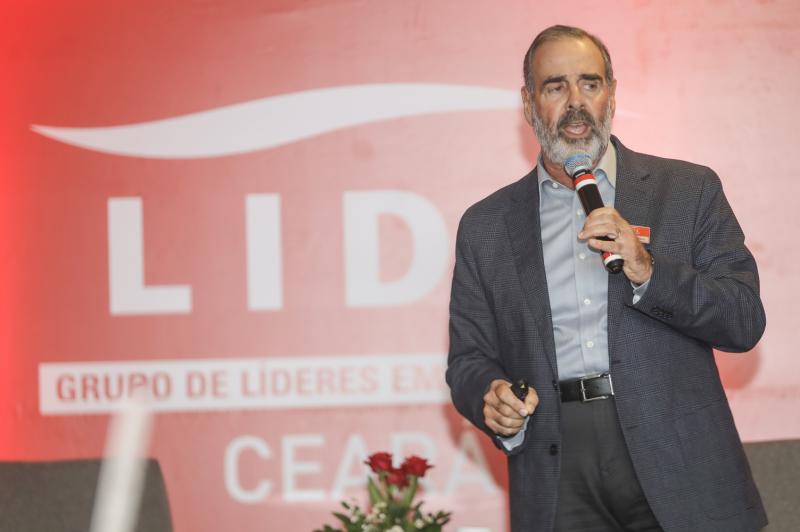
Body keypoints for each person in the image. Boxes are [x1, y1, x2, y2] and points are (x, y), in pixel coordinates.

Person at [446, 25, 767, 532]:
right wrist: (492, 395)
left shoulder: (687, 190)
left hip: (677, 453)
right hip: (555, 461)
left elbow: (743, 319)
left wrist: (648, 270)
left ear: (611, 93)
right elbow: (468, 358)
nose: (576, 102)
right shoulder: (486, 226)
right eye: (555, 86)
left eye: (589, 84)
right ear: (529, 104)